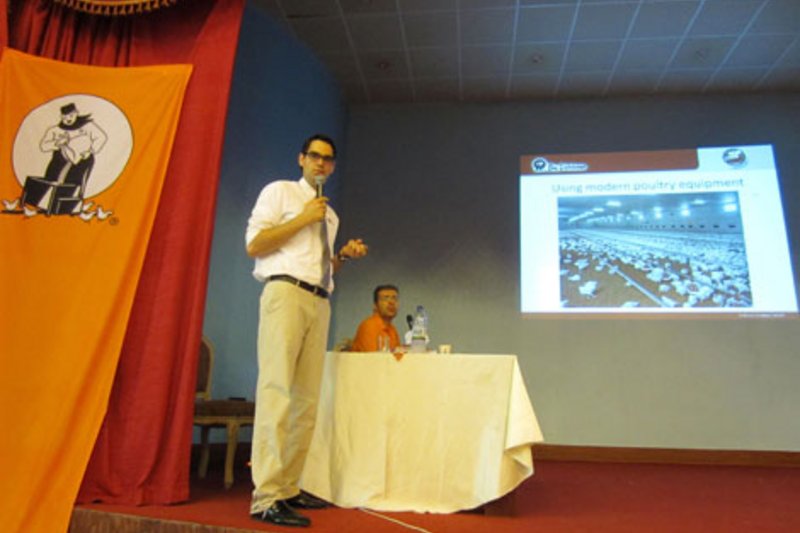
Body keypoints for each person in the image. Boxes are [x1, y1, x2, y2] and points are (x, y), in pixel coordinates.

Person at [245, 133, 368, 528]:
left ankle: (287, 487)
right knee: (277, 393)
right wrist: (302, 217)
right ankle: (265, 497)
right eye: (314, 157)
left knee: (305, 402)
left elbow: (320, 265)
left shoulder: (329, 216)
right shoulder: (280, 193)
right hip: (285, 294)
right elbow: (255, 244)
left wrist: (342, 257)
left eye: (328, 160)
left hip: (319, 300)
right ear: (301, 159)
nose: (321, 164)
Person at [350, 284, 401, 352]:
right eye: (385, 298)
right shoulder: (369, 326)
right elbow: (373, 359)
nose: (391, 302)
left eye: (394, 298)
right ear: (375, 306)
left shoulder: (393, 330)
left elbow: (398, 358)